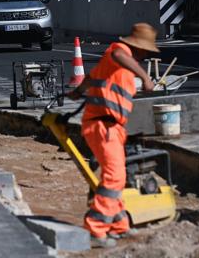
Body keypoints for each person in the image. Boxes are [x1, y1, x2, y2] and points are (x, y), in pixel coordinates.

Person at [68, 23, 159, 248]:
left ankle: (119, 226)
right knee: (114, 176)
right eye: (146, 51)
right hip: (103, 125)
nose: (147, 55)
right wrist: (146, 78)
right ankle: (95, 229)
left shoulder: (117, 65)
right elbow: (119, 54)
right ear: (139, 47)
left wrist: (77, 92)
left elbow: (90, 78)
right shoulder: (119, 51)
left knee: (116, 177)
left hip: (111, 127)